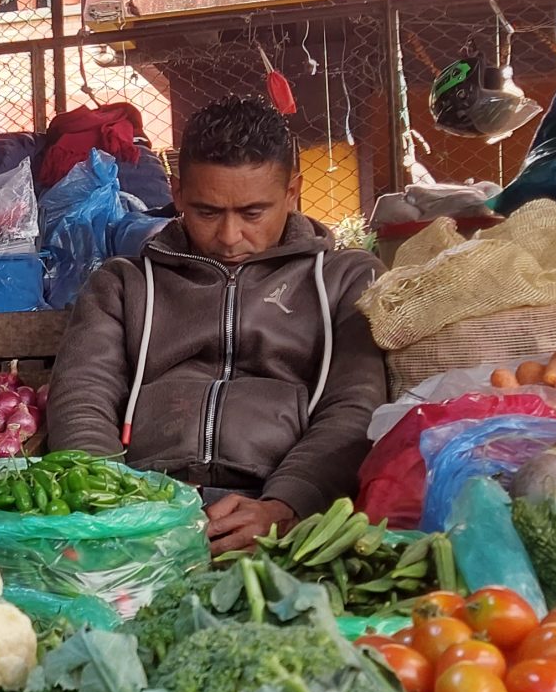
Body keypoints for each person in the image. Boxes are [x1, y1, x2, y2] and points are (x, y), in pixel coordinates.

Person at [47, 96, 388, 554]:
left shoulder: (346, 279)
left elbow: (354, 407)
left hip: (289, 513)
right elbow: (82, 395)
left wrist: (284, 506)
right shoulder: (123, 284)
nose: (229, 237)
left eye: (253, 213)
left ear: (292, 193)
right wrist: (113, 504)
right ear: (177, 192)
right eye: (207, 212)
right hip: (143, 509)